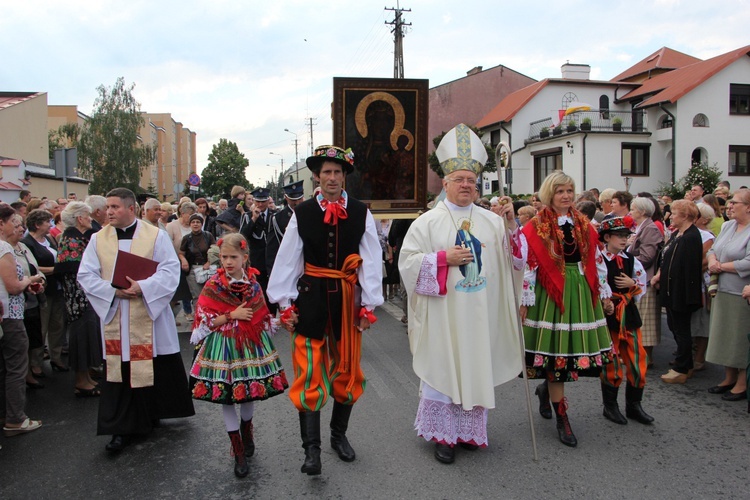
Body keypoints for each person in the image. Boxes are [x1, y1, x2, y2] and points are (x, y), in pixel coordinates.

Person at [398, 124, 525, 464]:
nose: (466, 185)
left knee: (473, 363)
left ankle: (467, 431)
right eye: (459, 180)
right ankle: (443, 435)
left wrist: (512, 226)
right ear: (445, 183)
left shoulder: (492, 221)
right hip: (443, 312)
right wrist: (443, 259)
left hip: (479, 310)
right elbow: (407, 264)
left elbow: (514, 260)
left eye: (471, 180)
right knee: (444, 364)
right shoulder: (425, 223)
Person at [267, 145, 383, 476]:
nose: (332, 178)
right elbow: (288, 258)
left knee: (348, 370)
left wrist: (369, 304)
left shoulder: (361, 212)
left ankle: (338, 436)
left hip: (348, 300)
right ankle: (311, 451)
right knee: (309, 371)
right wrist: (285, 303)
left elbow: (371, 260)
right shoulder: (302, 213)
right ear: (317, 176)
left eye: (337, 172)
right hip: (312, 298)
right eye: (326, 172)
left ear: (345, 176)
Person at [78, 188, 194, 453]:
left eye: (115, 207)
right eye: (107, 207)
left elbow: (169, 270)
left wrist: (143, 287)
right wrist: (112, 291)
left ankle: (151, 413)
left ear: (131, 209)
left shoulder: (155, 236)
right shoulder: (98, 239)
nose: (109, 212)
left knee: (151, 364)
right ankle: (121, 427)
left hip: (146, 311)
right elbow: (85, 275)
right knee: (121, 371)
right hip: (117, 312)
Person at [521, 170, 614, 447]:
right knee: (556, 355)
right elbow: (529, 265)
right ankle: (563, 417)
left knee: (566, 353)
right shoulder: (536, 225)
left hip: (580, 290)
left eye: (569, 191)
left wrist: (603, 291)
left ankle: (546, 391)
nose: (566, 196)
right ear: (550, 193)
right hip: (550, 292)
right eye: (560, 191)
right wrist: (524, 300)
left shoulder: (584, 223)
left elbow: (596, 259)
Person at [188, 233, 288, 478]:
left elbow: (262, 313)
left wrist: (277, 319)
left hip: (249, 344)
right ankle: (238, 450)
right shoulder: (213, 285)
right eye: (224, 257)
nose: (228, 262)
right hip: (223, 345)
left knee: (247, 391)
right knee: (227, 396)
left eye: (234, 257)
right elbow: (204, 320)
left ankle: (247, 430)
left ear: (245, 257)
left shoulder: (253, 284)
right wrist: (232, 315)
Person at [597, 216, 653, 425]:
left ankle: (634, 406)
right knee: (611, 363)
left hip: (628, 315)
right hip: (607, 316)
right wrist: (605, 301)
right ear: (607, 237)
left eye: (626, 236)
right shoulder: (599, 259)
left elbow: (640, 284)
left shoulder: (631, 260)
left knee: (638, 359)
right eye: (620, 236)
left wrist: (632, 284)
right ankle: (610, 406)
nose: (624, 240)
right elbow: (593, 283)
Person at [0, 204, 45, 436]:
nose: (19, 227)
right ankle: (16, 418)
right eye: (14, 223)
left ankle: (6, 413)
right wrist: (30, 280)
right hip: (10, 315)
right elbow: (12, 286)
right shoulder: (4, 248)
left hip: (5, 313)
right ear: (2, 224)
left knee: (5, 367)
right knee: (16, 367)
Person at [650, 200, 703, 384]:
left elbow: (687, 269)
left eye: (674, 213)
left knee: (681, 329)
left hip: (681, 291)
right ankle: (684, 362)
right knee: (675, 327)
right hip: (671, 288)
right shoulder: (678, 234)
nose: (670, 216)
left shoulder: (690, 237)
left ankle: (682, 367)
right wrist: (659, 275)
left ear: (686, 216)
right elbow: (666, 259)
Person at [705, 189, 750, 401]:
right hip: (722, 289)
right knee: (725, 335)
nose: (729, 206)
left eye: (735, 203)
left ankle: (742, 382)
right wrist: (713, 261)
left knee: (739, 337)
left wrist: (721, 266)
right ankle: (728, 377)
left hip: (741, 292)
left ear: (749, 207)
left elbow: (748, 262)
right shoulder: (727, 225)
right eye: (729, 202)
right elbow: (713, 249)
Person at [55, 202, 103, 397]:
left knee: (88, 336)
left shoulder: (76, 237)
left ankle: (86, 376)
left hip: (83, 297)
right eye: (87, 215)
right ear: (79, 218)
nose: (91, 218)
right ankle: (81, 380)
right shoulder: (71, 240)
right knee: (81, 338)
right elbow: (74, 272)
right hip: (78, 299)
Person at [23, 209, 68, 373]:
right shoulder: (27, 243)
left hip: (56, 288)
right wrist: (55, 269)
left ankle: (55, 357)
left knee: (57, 325)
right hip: (42, 291)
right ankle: (36, 363)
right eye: (47, 222)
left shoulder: (49, 239)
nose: (50, 225)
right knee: (42, 327)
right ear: (37, 224)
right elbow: (32, 268)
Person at [628, 197, 664, 366]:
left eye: (633, 209)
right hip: (639, 278)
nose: (630, 212)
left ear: (642, 211)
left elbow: (647, 257)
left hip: (646, 279)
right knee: (640, 318)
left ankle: (646, 357)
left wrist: (627, 259)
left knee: (646, 320)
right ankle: (640, 355)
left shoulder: (650, 228)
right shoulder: (642, 227)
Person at [240, 188, 274, 311]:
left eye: (263, 201)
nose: (260, 205)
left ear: (268, 200)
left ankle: (271, 315)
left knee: (271, 290)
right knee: (258, 290)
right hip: (256, 260)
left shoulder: (274, 215)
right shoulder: (248, 216)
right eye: (258, 201)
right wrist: (254, 219)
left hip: (272, 260)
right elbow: (242, 236)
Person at [167, 202, 198, 322]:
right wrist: (179, 258)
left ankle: (190, 311)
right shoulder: (172, 226)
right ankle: (172, 316)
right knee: (178, 290)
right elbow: (168, 244)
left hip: (192, 262)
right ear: (182, 213)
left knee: (191, 288)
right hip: (176, 261)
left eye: (194, 214)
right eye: (190, 214)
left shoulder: (194, 225)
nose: (192, 217)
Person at [266, 180, 304, 274]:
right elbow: (272, 249)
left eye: (299, 198)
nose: (297, 202)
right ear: (286, 198)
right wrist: (272, 273)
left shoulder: (310, 213)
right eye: (293, 199)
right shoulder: (277, 219)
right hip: (288, 266)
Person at [179, 213, 216, 303]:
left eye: (198, 222)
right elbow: (181, 253)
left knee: (210, 295)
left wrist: (209, 262)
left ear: (201, 224)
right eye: (193, 222)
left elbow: (215, 251)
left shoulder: (208, 236)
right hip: (193, 269)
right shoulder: (186, 238)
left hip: (207, 268)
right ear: (190, 224)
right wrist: (183, 260)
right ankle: (198, 315)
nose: (195, 224)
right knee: (197, 296)